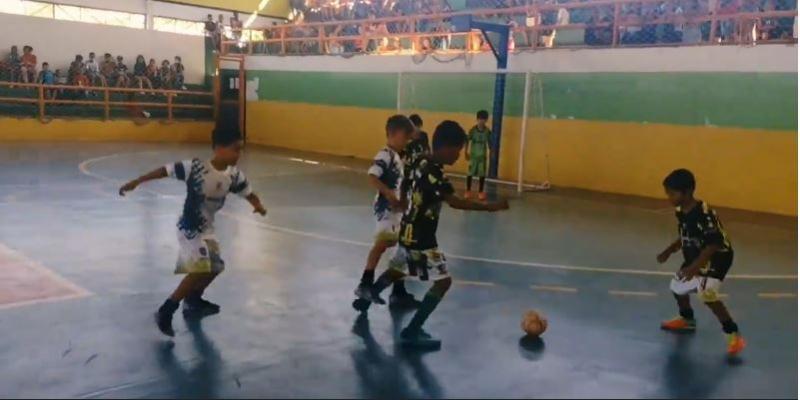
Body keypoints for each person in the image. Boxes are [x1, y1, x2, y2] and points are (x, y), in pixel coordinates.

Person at [364, 120, 509, 347]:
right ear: (445, 147)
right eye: (458, 150)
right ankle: (413, 330)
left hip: (408, 230)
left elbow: (406, 180)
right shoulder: (435, 175)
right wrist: (493, 207)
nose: (459, 156)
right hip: (423, 238)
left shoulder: (419, 161)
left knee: (396, 269)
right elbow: (456, 202)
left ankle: (365, 299)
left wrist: (403, 200)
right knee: (443, 282)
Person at [118, 120, 267, 337]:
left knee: (216, 267)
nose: (238, 154)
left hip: (207, 228)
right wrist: (136, 181)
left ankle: (193, 300)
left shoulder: (234, 176)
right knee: (202, 268)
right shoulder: (196, 168)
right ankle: (166, 310)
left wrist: (257, 205)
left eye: (240, 150)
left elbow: (248, 192)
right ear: (219, 148)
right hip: (189, 227)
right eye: (235, 149)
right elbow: (164, 171)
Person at [657, 169, 746, 356]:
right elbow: (685, 235)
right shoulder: (681, 211)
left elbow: (714, 244)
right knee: (677, 287)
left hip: (717, 257)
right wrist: (669, 250)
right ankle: (687, 319)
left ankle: (733, 333)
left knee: (707, 294)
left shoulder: (704, 213)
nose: (669, 197)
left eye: (672, 193)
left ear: (687, 192)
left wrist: (694, 267)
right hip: (696, 255)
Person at [354, 115, 420, 309]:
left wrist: (403, 201)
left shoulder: (398, 156)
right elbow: (373, 176)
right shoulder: (385, 155)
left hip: (396, 210)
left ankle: (397, 292)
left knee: (402, 250)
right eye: (405, 136)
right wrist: (389, 194)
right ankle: (365, 284)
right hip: (385, 209)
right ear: (393, 134)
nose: (406, 141)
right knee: (384, 243)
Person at [464, 110, 492, 200]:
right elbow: (467, 140)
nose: (481, 121)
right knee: (470, 173)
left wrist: (492, 152)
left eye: (484, 119)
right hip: (473, 157)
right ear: (477, 119)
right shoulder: (473, 130)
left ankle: (480, 192)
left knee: (482, 174)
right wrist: (466, 152)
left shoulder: (487, 131)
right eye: (480, 119)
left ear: (486, 120)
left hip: (482, 157)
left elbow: (490, 143)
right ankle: (468, 191)